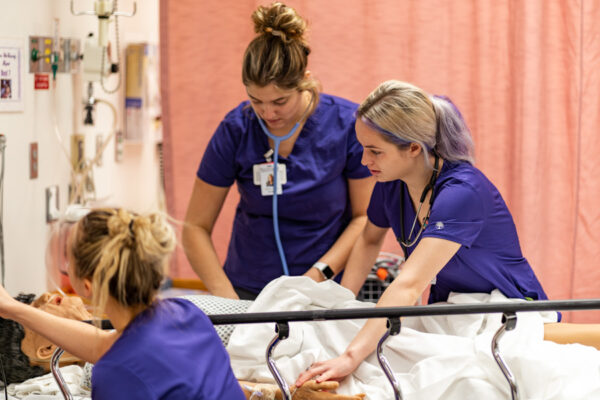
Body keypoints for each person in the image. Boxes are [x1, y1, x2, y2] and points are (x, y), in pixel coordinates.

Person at [295, 80, 600, 387]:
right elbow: (369, 238)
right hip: (449, 310)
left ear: (413, 148)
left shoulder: (462, 193)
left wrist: (349, 357)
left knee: (502, 357)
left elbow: (409, 283)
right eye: (363, 148)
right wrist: (346, 306)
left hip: (506, 308)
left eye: (375, 151)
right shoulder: (391, 184)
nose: (364, 161)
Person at [182, 2, 374, 300]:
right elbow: (195, 226)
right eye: (256, 101)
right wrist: (227, 299)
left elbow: (364, 218)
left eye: (280, 101)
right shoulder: (238, 129)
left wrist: (316, 277)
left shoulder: (347, 125)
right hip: (246, 287)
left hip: (321, 288)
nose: (267, 113)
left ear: (304, 81)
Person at [0, 208, 246, 399]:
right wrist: (14, 308)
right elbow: (106, 346)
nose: (46, 296)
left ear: (88, 285)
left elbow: (119, 356)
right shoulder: (185, 314)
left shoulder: (117, 373)